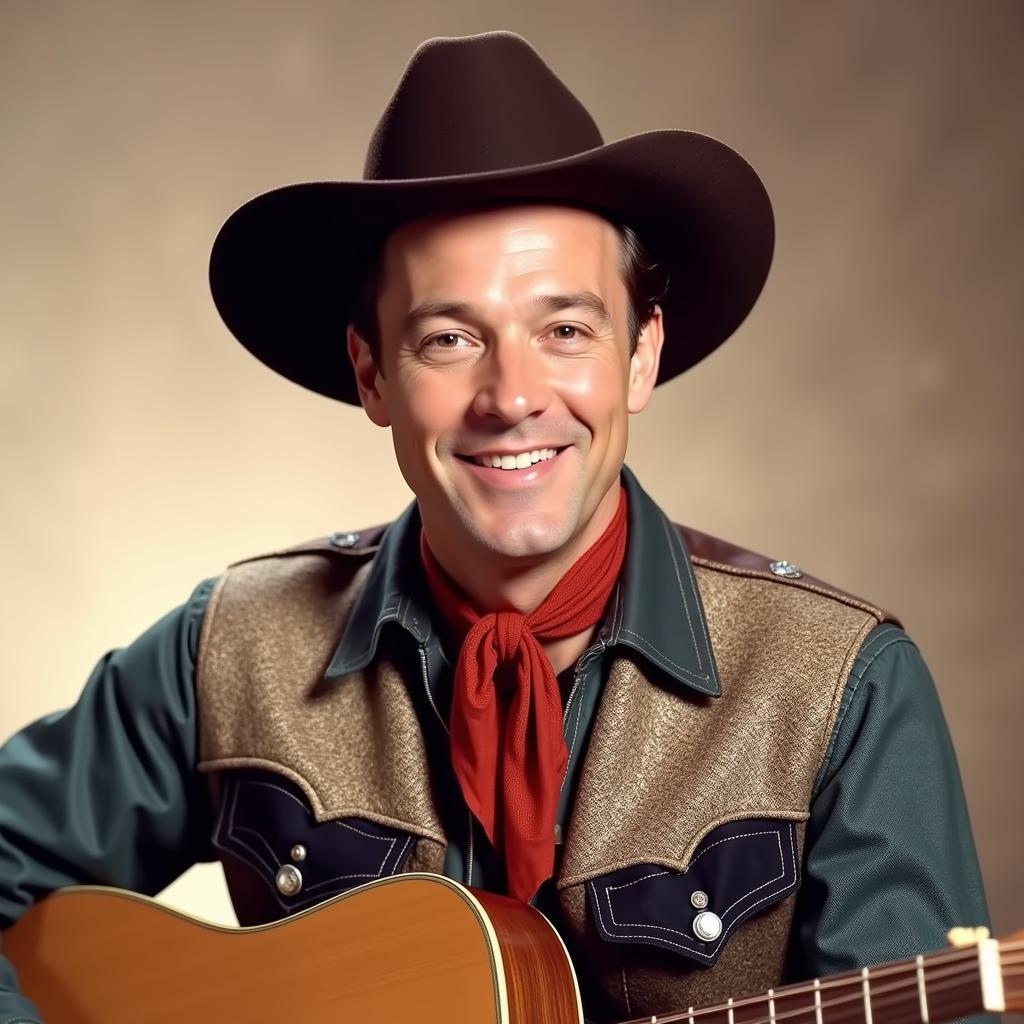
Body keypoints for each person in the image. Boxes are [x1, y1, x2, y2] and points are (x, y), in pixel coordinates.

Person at [0, 31, 990, 1024]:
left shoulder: (839, 686)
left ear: (640, 355)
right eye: (448, 338)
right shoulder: (231, 646)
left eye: (565, 329)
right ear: (372, 374)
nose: (511, 396)